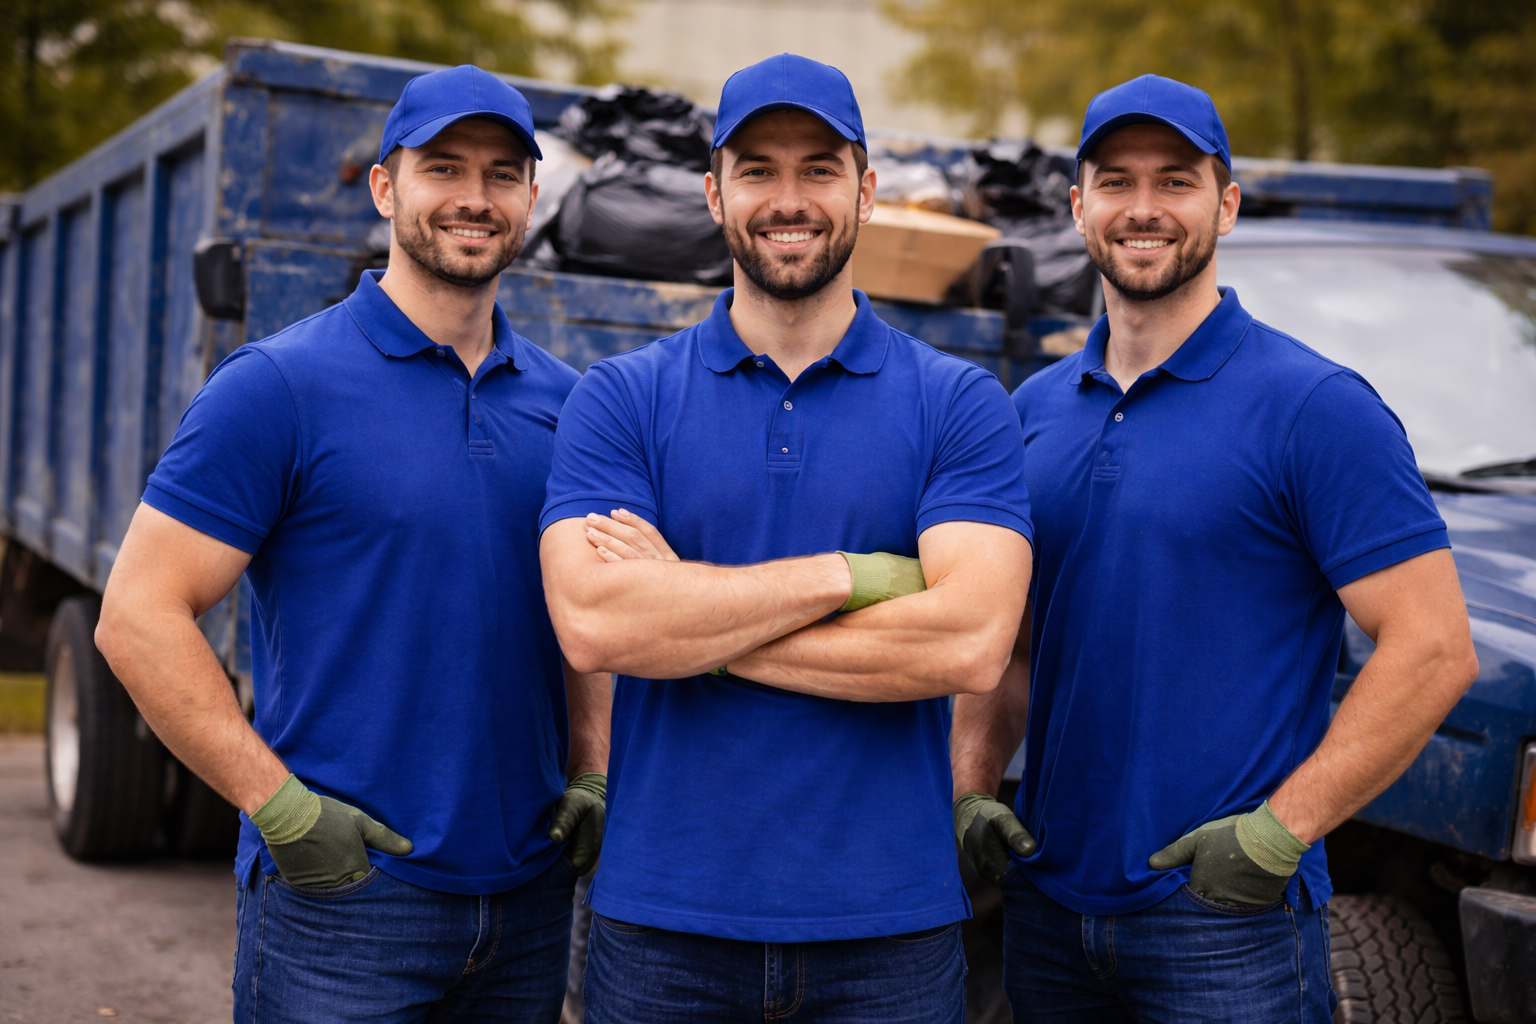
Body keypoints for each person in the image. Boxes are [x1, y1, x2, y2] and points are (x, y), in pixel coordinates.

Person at [949, 74, 1480, 1023]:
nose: (1143, 209)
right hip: (1048, 911)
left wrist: (1282, 834)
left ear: (1225, 205)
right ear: (1078, 208)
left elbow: (1433, 646)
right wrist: (972, 784)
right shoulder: (1028, 417)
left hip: (1228, 926)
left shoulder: (1315, 409)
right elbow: (1011, 647)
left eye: (1176, 182)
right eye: (1115, 182)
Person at [95, 64, 611, 1024]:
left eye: (503, 174)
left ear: (533, 200)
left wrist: (592, 764)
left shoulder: (569, 406)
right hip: (345, 904)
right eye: (443, 167)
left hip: (531, 902)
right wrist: (280, 809)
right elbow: (136, 616)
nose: (474, 197)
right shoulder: (279, 387)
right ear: (385, 187)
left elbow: (587, 612)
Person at [537, 53, 1034, 1024]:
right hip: (662, 929)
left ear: (867, 189)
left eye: (819, 167)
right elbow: (597, 625)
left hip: (888, 933)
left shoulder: (958, 403)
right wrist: (852, 576)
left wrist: (691, 617)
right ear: (713, 192)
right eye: (757, 168)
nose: (788, 196)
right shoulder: (622, 398)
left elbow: (967, 641)